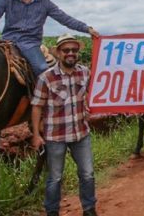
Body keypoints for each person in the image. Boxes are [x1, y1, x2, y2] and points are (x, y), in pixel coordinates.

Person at [31, 34, 97, 216]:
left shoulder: (85, 72)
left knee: (87, 174)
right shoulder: (46, 78)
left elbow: (94, 93)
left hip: (81, 133)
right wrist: (36, 135)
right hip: (55, 136)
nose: (70, 53)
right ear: (59, 53)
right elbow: (37, 106)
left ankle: (89, 209)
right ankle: (52, 211)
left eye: (74, 50)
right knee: (55, 177)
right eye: (66, 50)